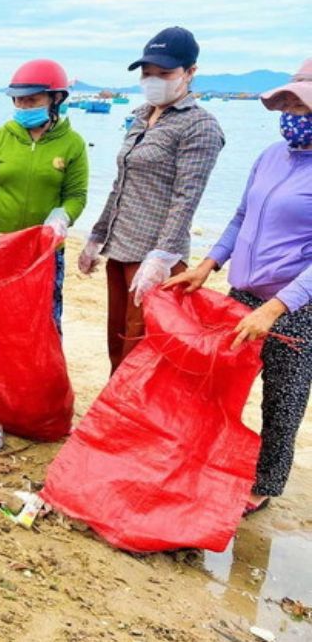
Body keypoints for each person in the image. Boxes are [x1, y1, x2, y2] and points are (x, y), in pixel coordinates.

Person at [164, 58, 312, 515]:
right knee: (219, 384)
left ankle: (264, 484)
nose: (293, 114)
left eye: (303, 107)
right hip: (241, 296)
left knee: (282, 400)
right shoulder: (269, 157)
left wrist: (275, 309)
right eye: (288, 103)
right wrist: (207, 265)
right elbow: (241, 218)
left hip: (293, 308)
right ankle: (207, 457)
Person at [79, 26, 225, 373]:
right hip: (121, 248)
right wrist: (97, 237)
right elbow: (121, 183)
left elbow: (186, 199)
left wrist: (160, 258)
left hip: (154, 257)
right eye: (147, 73)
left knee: (143, 351)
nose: (154, 80)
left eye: (165, 73)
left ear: (190, 73)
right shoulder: (142, 116)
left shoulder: (200, 126)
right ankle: (113, 419)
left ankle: (132, 426)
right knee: (118, 342)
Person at [0, 59, 89, 401]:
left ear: (55, 99)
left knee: (42, 323)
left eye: (32, 100)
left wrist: (62, 217)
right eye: (19, 100)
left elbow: (76, 196)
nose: (23, 106)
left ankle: (36, 389)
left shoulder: (71, 145)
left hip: (41, 253)